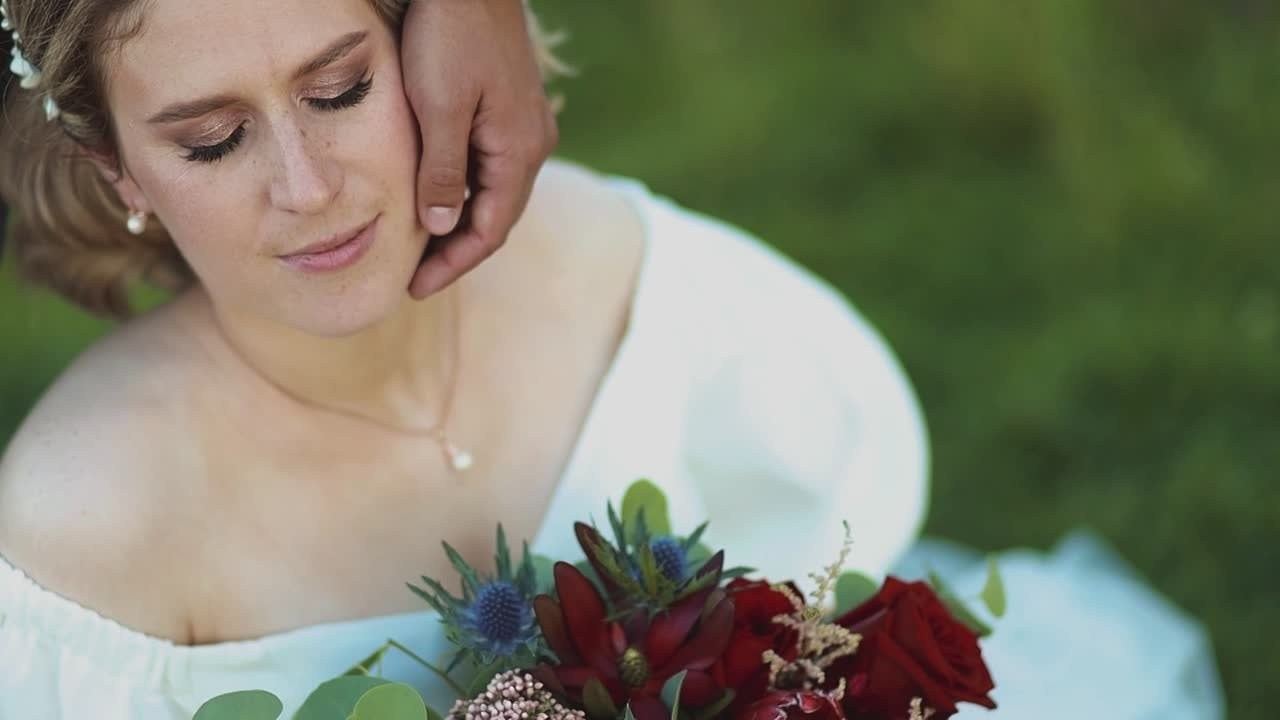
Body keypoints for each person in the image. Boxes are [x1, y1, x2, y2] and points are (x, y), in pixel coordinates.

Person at [0, 1, 1223, 719]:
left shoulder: (614, 272)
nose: (307, 189)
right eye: (211, 142)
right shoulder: (84, 538)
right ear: (121, 176)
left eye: (339, 87)